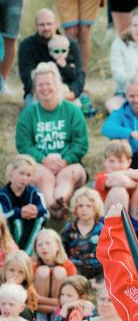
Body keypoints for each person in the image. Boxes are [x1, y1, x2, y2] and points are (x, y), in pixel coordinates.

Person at [15, 62, 87, 219]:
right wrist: (43, 159)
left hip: (69, 163)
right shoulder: (28, 114)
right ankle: (52, 207)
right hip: (41, 163)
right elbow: (23, 145)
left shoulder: (72, 110)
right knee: (45, 177)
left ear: (58, 85)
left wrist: (66, 160)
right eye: (40, 85)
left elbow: (81, 143)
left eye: (48, 83)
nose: (44, 88)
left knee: (67, 175)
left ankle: (59, 201)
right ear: (35, 89)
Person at [18, 9, 84, 103]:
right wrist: (48, 93)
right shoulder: (27, 46)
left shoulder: (69, 44)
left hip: (67, 92)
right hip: (39, 93)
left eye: (49, 24)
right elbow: (26, 77)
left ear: (56, 24)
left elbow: (79, 74)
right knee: (36, 110)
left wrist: (73, 92)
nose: (46, 28)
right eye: (42, 24)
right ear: (35, 26)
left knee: (75, 108)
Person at [93, 140, 138, 220]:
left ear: (129, 162)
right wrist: (135, 184)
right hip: (108, 217)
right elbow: (121, 181)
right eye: (111, 161)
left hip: (133, 214)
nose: (116, 166)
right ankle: (119, 226)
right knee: (119, 190)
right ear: (104, 162)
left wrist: (124, 173)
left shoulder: (129, 173)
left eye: (121, 161)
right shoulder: (101, 176)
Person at [0, 155, 47, 254]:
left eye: (28, 175)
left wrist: (36, 210)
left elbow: (46, 212)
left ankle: (25, 255)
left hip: (28, 231)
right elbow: (3, 215)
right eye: (21, 173)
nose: (25, 178)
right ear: (12, 172)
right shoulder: (3, 194)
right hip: (9, 233)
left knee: (40, 218)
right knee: (17, 222)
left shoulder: (34, 192)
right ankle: (16, 254)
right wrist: (19, 212)